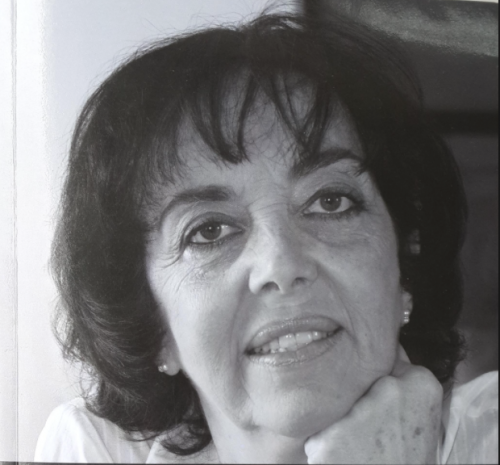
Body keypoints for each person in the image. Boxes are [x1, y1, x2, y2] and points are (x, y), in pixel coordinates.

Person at [35, 11, 497, 464]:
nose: (281, 264)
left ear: (404, 269)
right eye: (209, 231)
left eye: (330, 201)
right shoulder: (94, 449)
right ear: (152, 325)